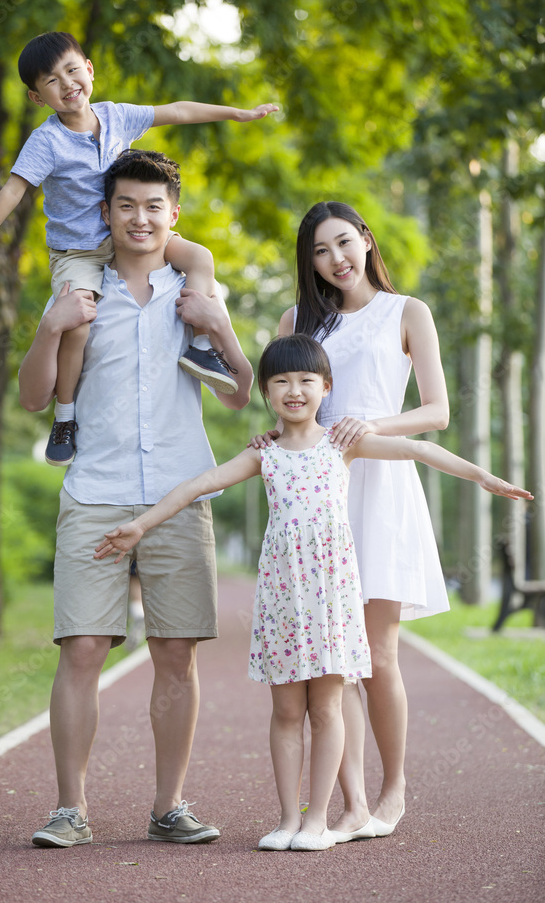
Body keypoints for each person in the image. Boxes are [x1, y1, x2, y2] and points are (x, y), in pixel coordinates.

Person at [95, 334, 531, 851]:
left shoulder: (341, 445)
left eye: (305, 380)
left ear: (326, 387)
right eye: (281, 381)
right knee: (285, 712)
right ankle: (287, 820)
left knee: (327, 709)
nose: (294, 390)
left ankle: (318, 821)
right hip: (283, 599)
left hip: (331, 598)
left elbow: (418, 448)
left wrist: (484, 477)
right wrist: (140, 526)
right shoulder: (265, 455)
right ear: (266, 393)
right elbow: (198, 484)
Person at [18, 149, 254, 848]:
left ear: (172, 214)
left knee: (176, 654)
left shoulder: (196, 291)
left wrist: (219, 326)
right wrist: (49, 326)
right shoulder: (82, 297)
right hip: (95, 487)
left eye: (154, 206)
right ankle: (69, 809)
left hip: (180, 489)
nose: (140, 218)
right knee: (83, 647)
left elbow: (240, 394)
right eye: (127, 205)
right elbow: (34, 397)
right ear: (107, 213)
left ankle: (169, 806)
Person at [0, 30, 276, 465]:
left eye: (72, 70)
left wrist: (237, 114)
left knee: (201, 258)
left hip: (128, 238)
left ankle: (201, 348)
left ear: (88, 69)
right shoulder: (46, 142)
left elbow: (178, 110)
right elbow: (13, 190)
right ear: (37, 97)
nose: (67, 84)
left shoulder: (118, 116)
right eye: (52, 81)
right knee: (80, 321)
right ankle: (65, 417)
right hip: (80, 252)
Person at [249, 200, 453, 840]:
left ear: (365, 241)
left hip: (383, 485)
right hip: (316, 499)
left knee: (378, 657)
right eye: (319, 250)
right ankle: (352, 805)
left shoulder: (406, 312)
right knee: (328, 660)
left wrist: (373, 425)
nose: (335, 259)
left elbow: (437, 412)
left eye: (344, 243)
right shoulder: (297, 321)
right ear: (308, 261)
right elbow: (289, 396)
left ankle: (393, 790)